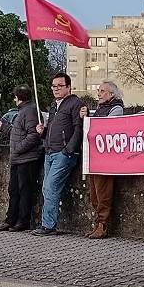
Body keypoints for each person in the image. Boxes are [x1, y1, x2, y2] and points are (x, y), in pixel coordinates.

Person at [33, 72, 84, 236]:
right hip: (50, 152)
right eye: (54, 86)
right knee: (46, 188)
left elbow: (78, 128)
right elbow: (54, 128)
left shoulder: (75, 103)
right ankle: (47, 224)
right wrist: (43, 132)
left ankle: (48, 225)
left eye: (60, 86)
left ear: (68, 87)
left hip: (63, 153)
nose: (56, 89)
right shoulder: (54, 106)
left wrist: (68, 150)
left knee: (50, 187)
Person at [79, 80, 125, 239]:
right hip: (95, 156)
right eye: (98, 90)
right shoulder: (101, 108)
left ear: (111, 94)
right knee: (95, 194)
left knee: (103, 192)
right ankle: (98, 223)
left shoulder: (116, 108)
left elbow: (107, 127)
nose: (98, 93)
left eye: (102, 91)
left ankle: (103, 225)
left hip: (105, 158)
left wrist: (90, 118)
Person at [0, 85, 42, 232]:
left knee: (23, 190)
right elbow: (18, 133)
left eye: (14, 97)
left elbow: (33, 136)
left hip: (26, 158)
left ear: (18, 98)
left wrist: (17, 149)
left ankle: (22, 220)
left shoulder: (29, 111)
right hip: (19, 158)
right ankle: (11, 219)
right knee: (14, 189)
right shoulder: (25, 111)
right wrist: (4, 127)